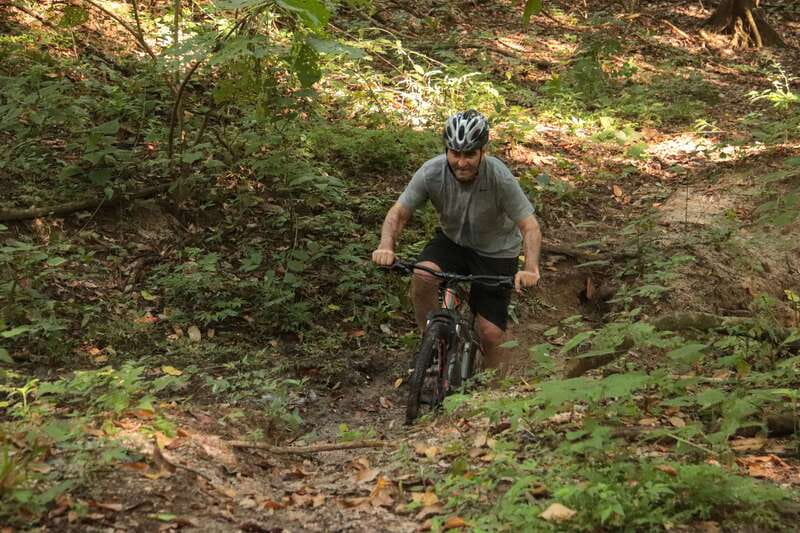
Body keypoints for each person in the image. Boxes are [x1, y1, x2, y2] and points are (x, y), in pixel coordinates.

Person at [372, 110, 542, 369]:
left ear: (483, 151)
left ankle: (491, 385)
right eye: (455, 153)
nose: (462, 162)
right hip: (453, 242)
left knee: (490, 333)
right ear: (447, 150)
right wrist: (386, 246)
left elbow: (529, 226)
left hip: (496, 252)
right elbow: (399, 213)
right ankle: (430, 339)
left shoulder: (498, 176)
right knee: (424, 275)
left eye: (469, 154)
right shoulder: (432, 172)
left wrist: (530, 268)